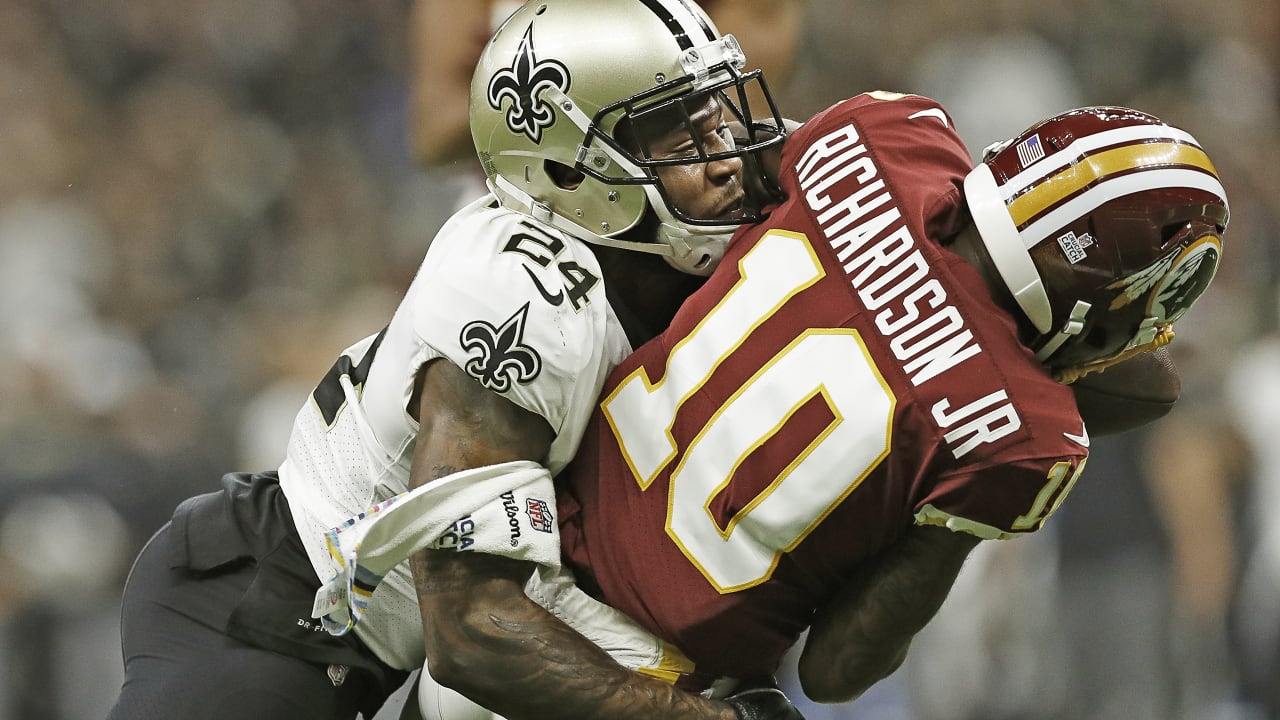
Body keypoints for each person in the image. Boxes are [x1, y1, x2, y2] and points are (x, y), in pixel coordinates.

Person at [107, 1, 805, 718]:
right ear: (572, 172)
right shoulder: (521, 296)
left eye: (719, 113)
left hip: (430, 631)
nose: (725, 155)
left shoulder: (681, 242)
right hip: (277, 615)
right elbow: (473, 632)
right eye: (678, 131)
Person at [549, 93, 1230, 702]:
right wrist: (962, 517)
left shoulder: (889, 130)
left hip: (538, 527)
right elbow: (836, 671)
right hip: (644, 677)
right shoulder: (1026, 434)